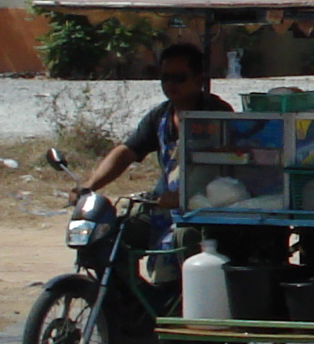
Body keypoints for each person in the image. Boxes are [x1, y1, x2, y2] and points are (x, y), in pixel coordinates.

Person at [72, 41, 226, 219]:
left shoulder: (218, 114)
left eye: (179, 78)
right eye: (165, 78)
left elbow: (228, 171)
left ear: (199, 79)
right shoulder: (160, 116)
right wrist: (89, 186)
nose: (170, 84)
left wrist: (187, 195)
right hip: (165, 207)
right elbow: (127, 152)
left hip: (204, 210)